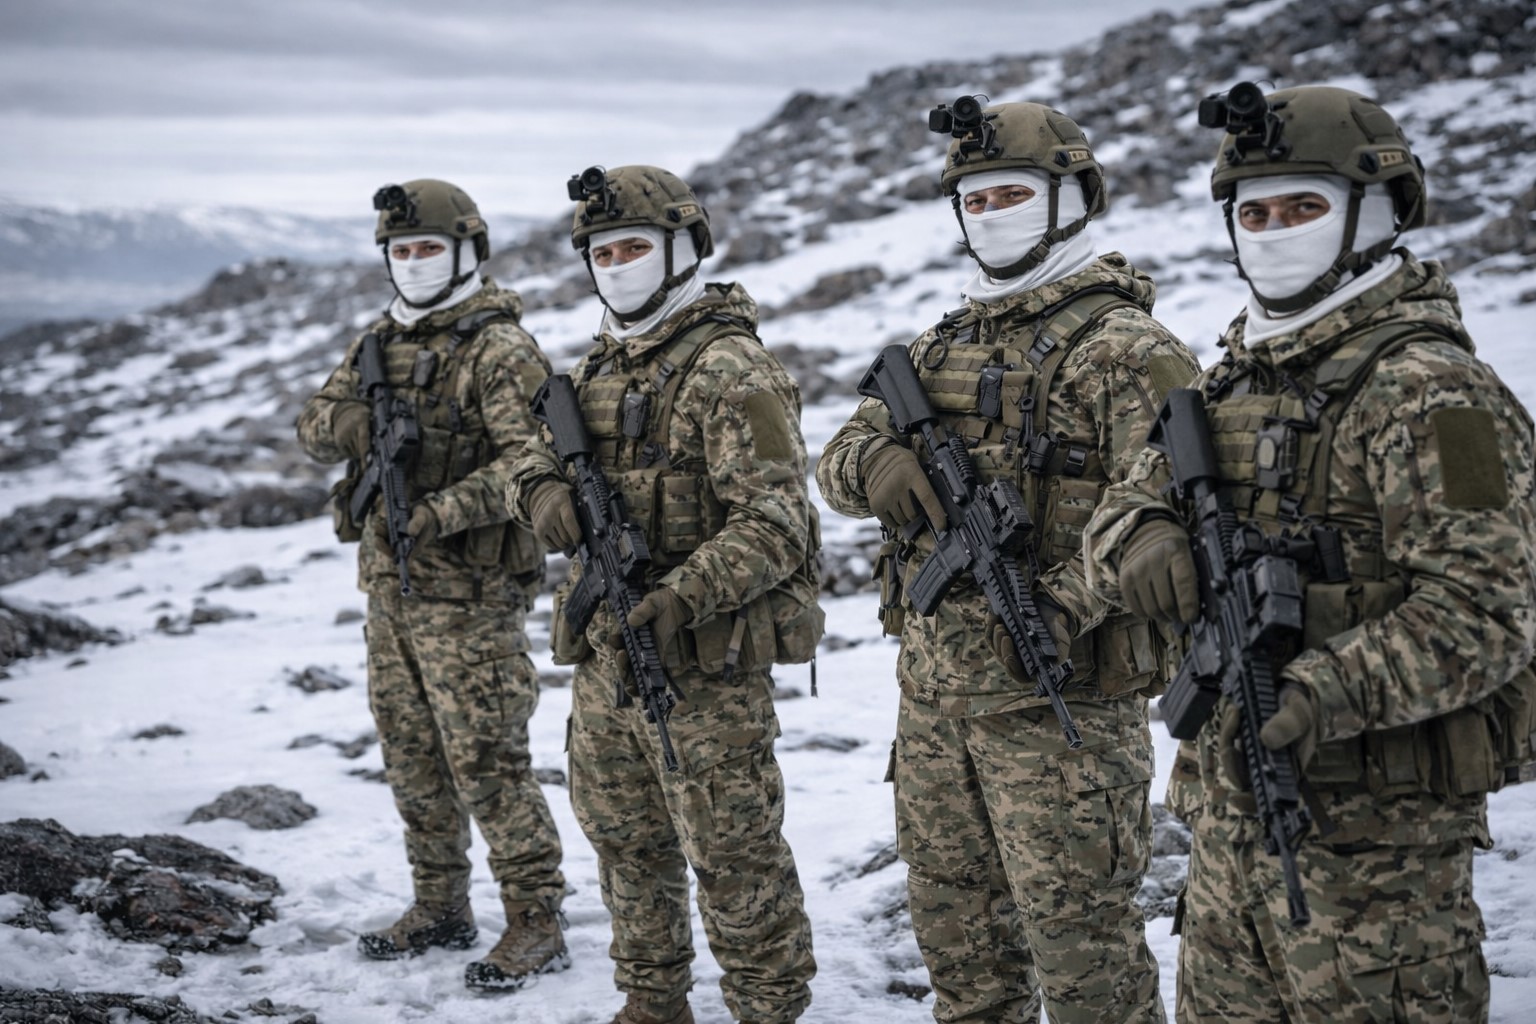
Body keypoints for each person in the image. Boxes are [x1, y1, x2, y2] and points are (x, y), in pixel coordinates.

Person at [1083, 83, 1536, 1024]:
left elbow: (1488, 614)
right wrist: (1146, 536)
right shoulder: (1228, 379)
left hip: (1378, 863)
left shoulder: (1436, 393)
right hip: (1222, 829)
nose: (1274, 230)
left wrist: (1324, 690)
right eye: (1254, 212)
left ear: (1375, 213)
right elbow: (1121, 505)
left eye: (1305, 207)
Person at [816, 98, 1198, 1023]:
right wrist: (878, 462)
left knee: (1086, 962)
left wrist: (1058, 606)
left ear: (1073, 197)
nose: (989, 213)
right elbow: (831, 464)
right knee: (959, 946)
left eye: (1012, 192)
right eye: (974, 198)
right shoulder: (939, 343)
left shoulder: (1130, 350)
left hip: (1061, 710)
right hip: (935, 707)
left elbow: (1173, 515)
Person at [505, 165, 820, 1024]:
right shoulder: (599, 366)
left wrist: (685, 594)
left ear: (684, 250)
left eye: (634, 247)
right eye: (600, 252)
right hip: (609, 662)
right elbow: (530, 452)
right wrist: (539, 493)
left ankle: (768, 1006)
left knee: (733, 855)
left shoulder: (730, 369)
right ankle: (651, 1000)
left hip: (703, 668)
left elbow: (780, 521)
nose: (615, 265)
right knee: (624, 841)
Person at [296, 178, 567, 993]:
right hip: (391, 592)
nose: (413, 264)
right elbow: (315, 423)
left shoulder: (500, 350)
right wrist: (346, 426)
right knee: (411, 756)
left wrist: (445, 510)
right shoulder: (379, 341)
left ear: (467, 253)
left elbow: (534, 461)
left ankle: (535, 918)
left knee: (487, 759)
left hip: (472, 595)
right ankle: (440, 905)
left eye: (429, 250)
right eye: (401, 251)